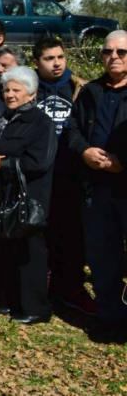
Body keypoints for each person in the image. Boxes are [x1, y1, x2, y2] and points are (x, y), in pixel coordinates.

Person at [0, 66, 56, 325]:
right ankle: (9, 299)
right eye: (6, 90)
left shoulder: (41, 123)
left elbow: (39, 162)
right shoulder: (2, 119)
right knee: (5, 248)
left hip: (28, 197)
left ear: (31, 94)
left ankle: (35, 308)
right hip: (2, 195)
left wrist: (2, 163)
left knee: (29, 251)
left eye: (16, 90)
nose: (9, 94)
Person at [64, 30, 127, 339]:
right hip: (97, 188)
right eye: (107, 51)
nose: (113, 57)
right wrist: (84, 151)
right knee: (103, 256)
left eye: (121, 52)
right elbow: (72, 128)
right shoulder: (91, 91)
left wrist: (123, 162)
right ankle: (110, 319)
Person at [32, 37, 94, 315]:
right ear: (36, 62)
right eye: (49, 59)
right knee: (39, 233)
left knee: (71, 235)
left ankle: (71, 289)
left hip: (70, 174)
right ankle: (40, 287)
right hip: (39, 174)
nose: (57, 63)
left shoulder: (80, 88)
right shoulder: (30, 88)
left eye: (60, 57)